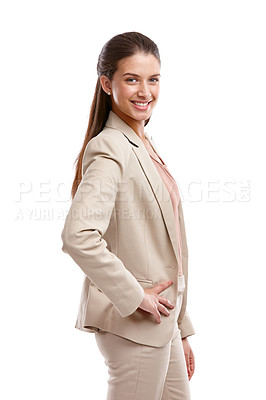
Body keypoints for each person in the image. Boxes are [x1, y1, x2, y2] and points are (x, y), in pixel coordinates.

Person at [61, 31, 196, 400]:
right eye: (131, 79)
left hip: (161, 325)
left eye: (153, 79)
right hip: (135, 326)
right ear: (107, 84)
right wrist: (136, 295)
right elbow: (78, 236)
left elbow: (169, 245)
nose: (145, 91)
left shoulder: (142, 142)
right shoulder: (110, 146)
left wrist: (180, 330)